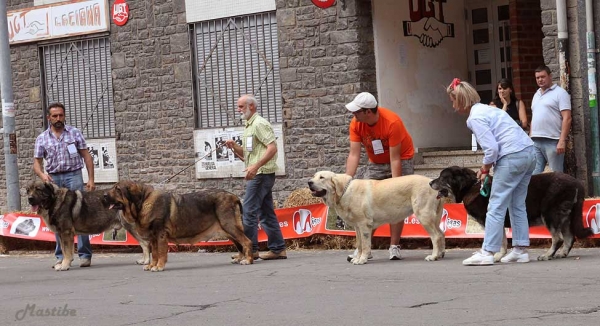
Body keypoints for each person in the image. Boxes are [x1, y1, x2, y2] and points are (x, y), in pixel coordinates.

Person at [446, 78, 536, 265]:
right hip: (528, 152)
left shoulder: (475, 118)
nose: (453, 106)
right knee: (517, 204)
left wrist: (485, 168)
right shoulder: (489, 110)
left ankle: (488, 252)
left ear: (461, 100)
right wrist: (487, 167)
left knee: (495, 206)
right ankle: (520, 249)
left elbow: (492, 149)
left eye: (453, 101)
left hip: (511, 156)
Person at [344, 92, 415, 261]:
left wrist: (396, 185)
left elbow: (395, 158)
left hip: (401, 159)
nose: (353, 115)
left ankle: (394, 246)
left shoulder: (392, 122)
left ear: (368, 112)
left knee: (397, 201)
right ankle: (363, 248)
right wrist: (346, 179)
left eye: (357, 111)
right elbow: (354, 154)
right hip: (376, 163)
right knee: (367, 205)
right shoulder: (356, 123)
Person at [33, 102, 96, 268]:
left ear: (64, 116)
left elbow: (86, 156)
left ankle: (85, 255)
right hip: (53, 180)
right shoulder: (42, 138)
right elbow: (37, 164)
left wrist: (91, 179)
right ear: (49, 118)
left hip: (73, 176)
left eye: (61, 115)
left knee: (80, 215)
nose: (58, 118)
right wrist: (42, 175)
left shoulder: (74, 133)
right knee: (56, 218)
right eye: (54, 116)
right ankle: (61, 255)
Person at [225, 94, 287, 260]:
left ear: (251, 106)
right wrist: (234, 146)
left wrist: (256, 166)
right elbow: (247, 156)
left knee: (248, 212)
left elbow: (272, 148)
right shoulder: (248, 126)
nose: (238, 110)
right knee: (266, 213)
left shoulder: (259, 124)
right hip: (259, 173)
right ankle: (278, 248)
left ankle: (249, 250)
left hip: (261, 174)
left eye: (240, 106)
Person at [530, 65, 572, 174]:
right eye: (537, 78)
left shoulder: (560, 93)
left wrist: (562, 141)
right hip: (536, 140)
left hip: (553, 140)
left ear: (550, 76)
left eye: (543, 77)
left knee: (556, 175)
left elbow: (567, 118)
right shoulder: (536, 94)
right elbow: (534, 116)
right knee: (534, 175)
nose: (540, 80)